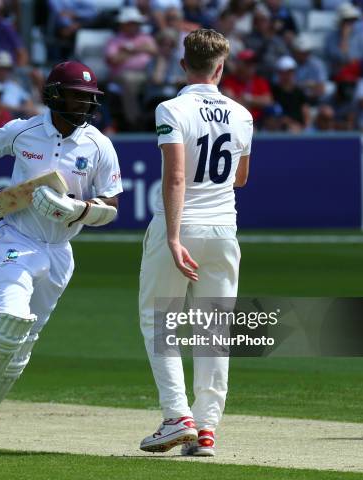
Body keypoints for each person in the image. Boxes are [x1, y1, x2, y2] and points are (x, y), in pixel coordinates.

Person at [0, 61, 123, 457]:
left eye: (89, 99)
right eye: (77, 96)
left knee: (23, 344)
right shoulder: (24, 131)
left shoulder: (99, 145)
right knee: (10, 318)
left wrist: (78, 209)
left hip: (60, 253)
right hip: (16, 239)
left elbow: (111, 204)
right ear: (54, 95)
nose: (84, 104)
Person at [139, 28, 252, 457]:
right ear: (220, 68)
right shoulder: (242, 113)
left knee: (160, 323)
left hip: (183, 226)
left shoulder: (171, 107)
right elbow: (240, 178)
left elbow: (176, 175)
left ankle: (176, 416)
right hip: (224, 230)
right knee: (214, 331)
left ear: (184, 65)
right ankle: (205, 430)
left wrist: (171, 235)